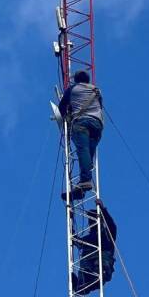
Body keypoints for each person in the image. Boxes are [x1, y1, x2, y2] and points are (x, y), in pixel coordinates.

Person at [59, 70, 104, 200]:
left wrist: (67, 117)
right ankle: (81, 189)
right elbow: (99, 106)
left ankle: (85, 181)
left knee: (82, 150)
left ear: (77, 80)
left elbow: (62, 107)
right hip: (97, 125)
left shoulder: (72, 89)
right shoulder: (96, 90)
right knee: (88, 156)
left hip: (82, 123)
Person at [72, 202, 117, 296]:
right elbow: (78, 242)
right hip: (89, 268)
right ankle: (82, 285)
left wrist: (103, 209)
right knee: (84, 268)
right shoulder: (90, 237)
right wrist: (71, 225)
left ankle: (89, 282)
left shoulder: (106, 234)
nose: (91, 223)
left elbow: (112, 226)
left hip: (101, 265)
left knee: (98, 264)